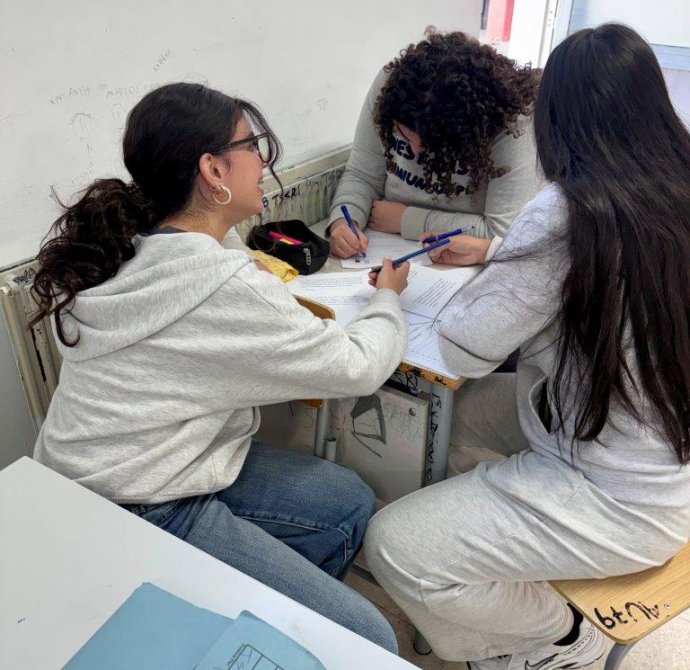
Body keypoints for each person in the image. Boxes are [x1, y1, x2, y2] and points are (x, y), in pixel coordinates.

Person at [31, 82, 411, 652]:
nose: (263, 160)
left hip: (126, 466)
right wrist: (388, 298)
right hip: (136, 502)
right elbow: (358, 366)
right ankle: (266, 631)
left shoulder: (138, 243)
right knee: (369, 638)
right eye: (252, 145)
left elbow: (225, 254)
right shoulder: (220, 286)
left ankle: (269, 621)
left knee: (346, 502)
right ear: (212, 170)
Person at [363, 23, 690, 669]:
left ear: (553, 122)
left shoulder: (569, 210)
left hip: (619, 492)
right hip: (651, 443)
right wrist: (499, 255)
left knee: (393, 545)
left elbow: (462, 348)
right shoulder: (673, 184)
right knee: (453, 418)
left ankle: (562, 639)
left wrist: (484, 270)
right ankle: (489, 553)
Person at [328, 29, 541, 260]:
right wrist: (343, 221)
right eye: (405, 136)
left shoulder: (509, 121)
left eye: (431, 145)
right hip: (385, 244)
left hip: (464, 262)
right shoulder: (391, 90)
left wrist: (405, 220)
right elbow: (362, 175)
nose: (414, 151)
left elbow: (501, 236)